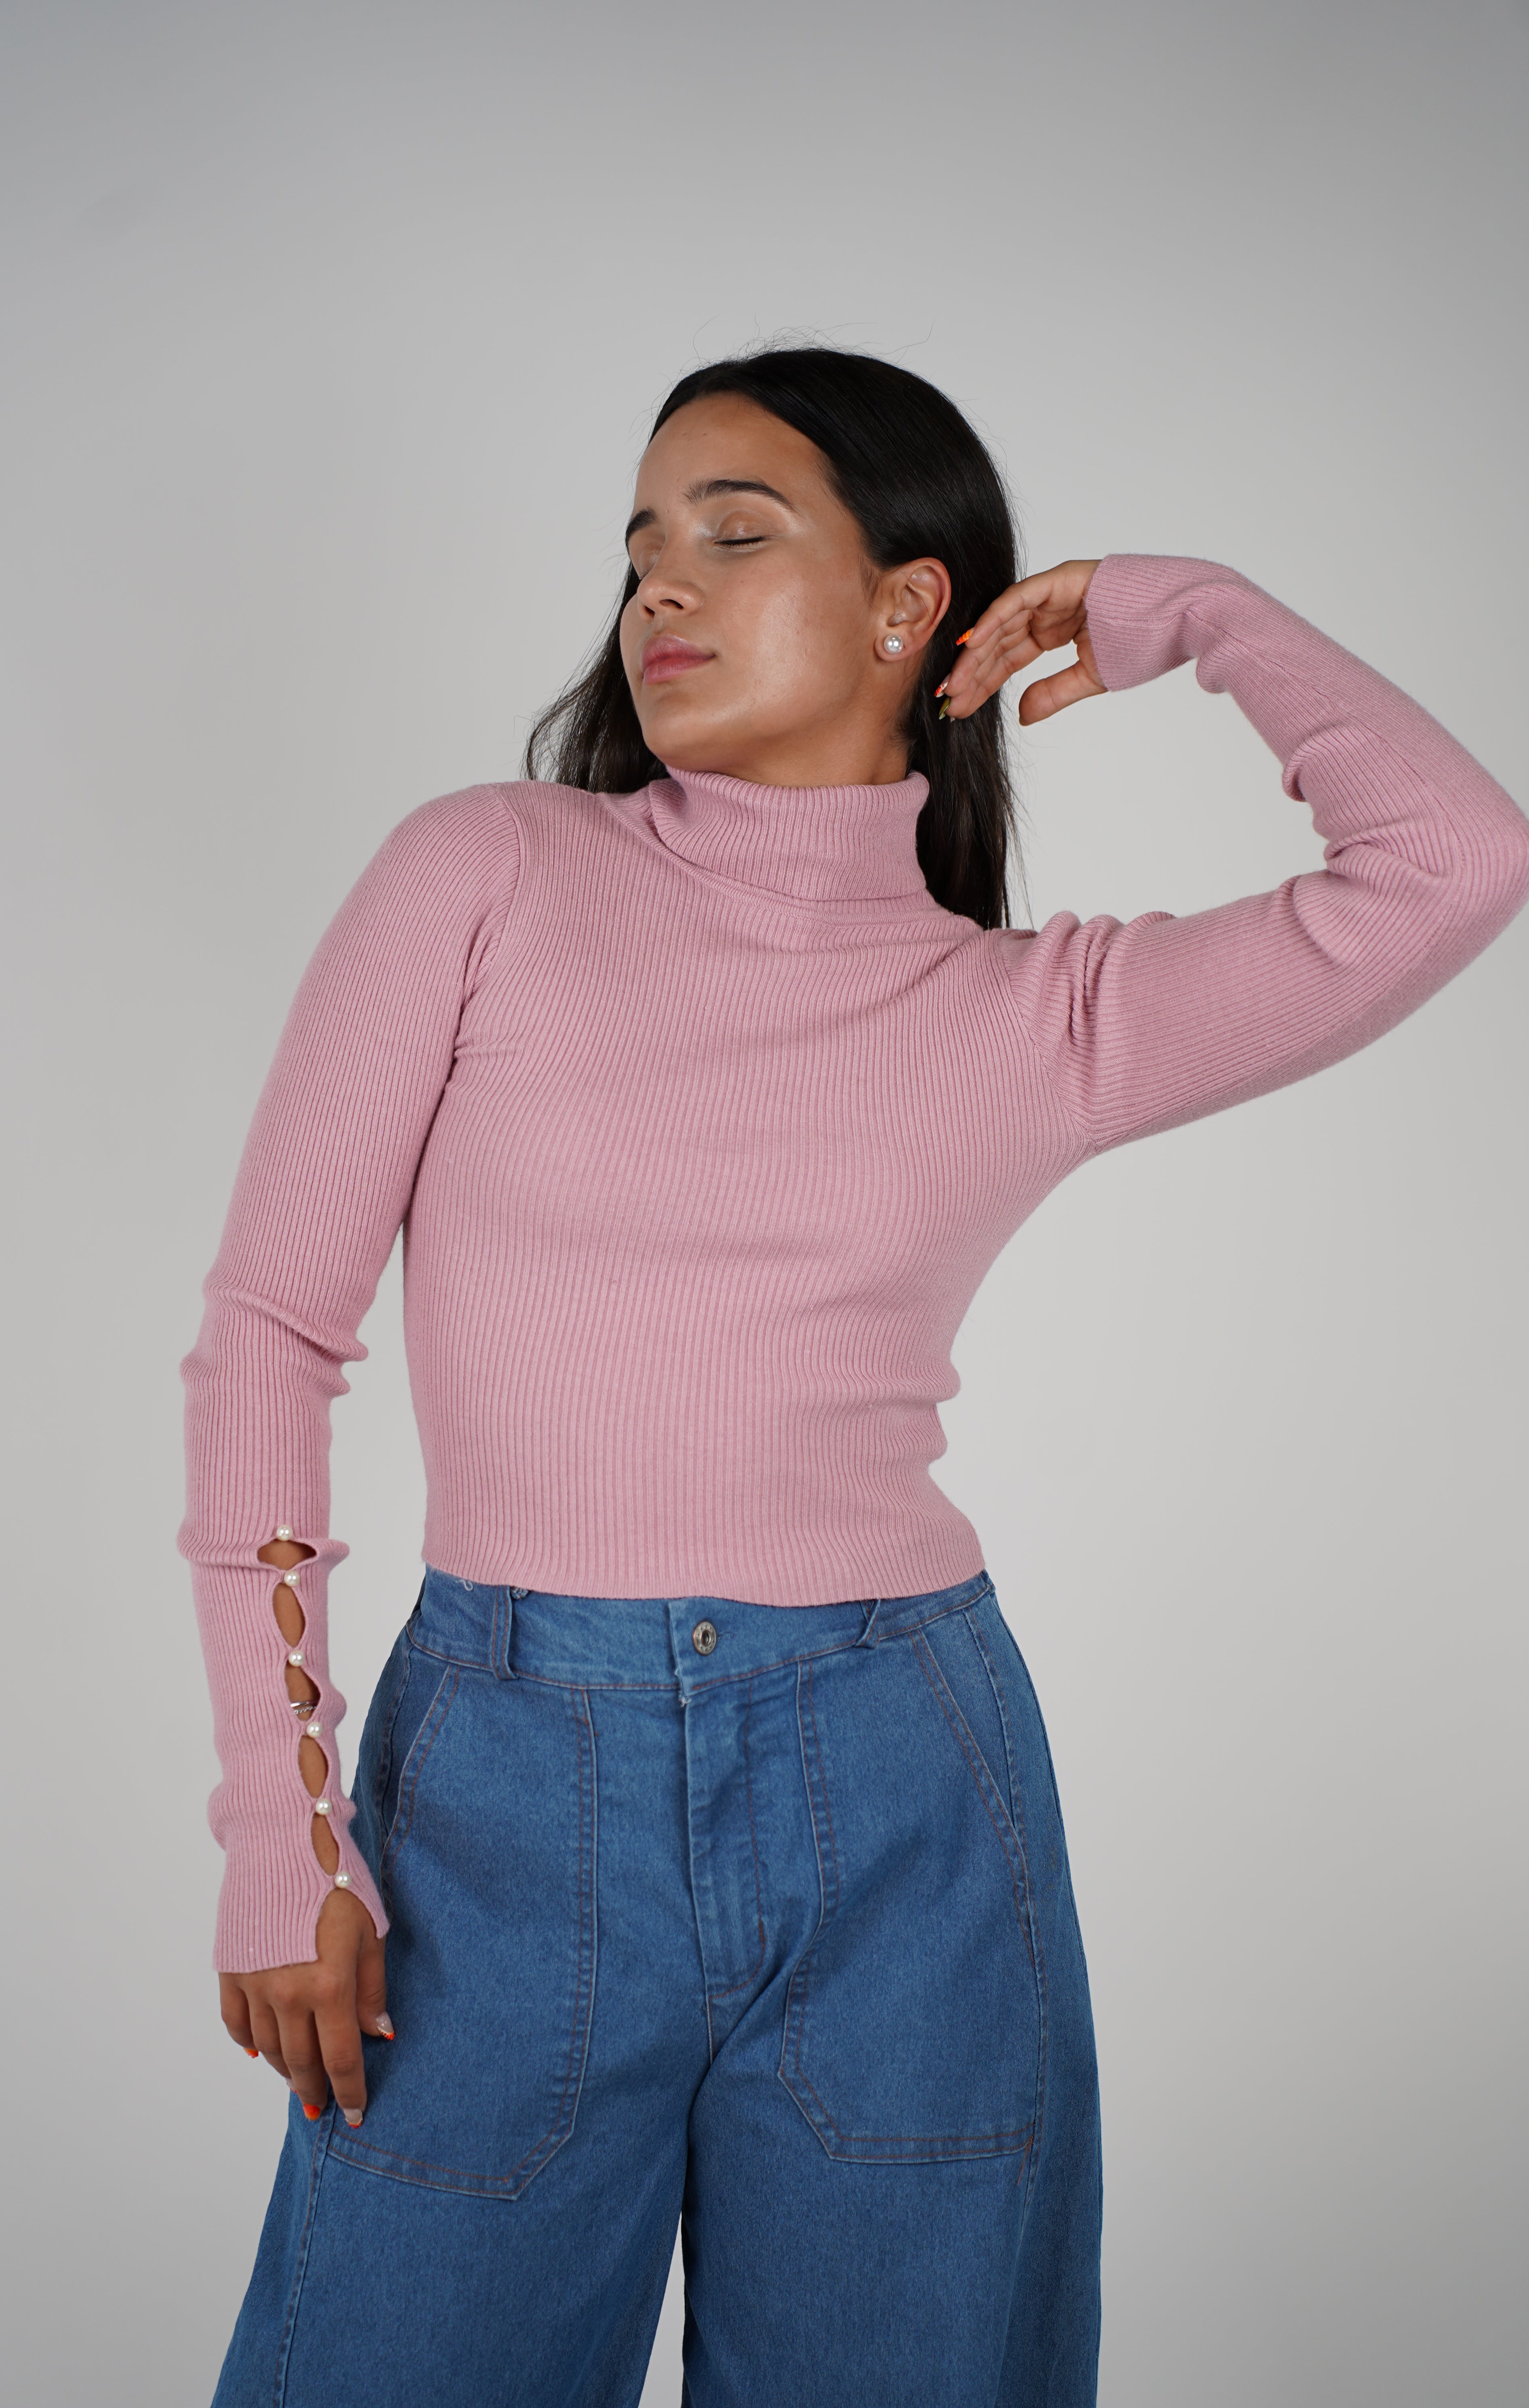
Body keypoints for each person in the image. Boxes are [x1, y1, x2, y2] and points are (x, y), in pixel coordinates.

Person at [180, 346, 1529, 2408]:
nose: (661, 587)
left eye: (736, 535)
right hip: (503, 1789)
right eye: (642, 547)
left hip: (901, 1786)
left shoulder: (1033, 1013)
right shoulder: (486, 873)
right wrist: (278, 1829)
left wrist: (1184, 613)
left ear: (912, 607)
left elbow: (1452, 860)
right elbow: (272, 1333)